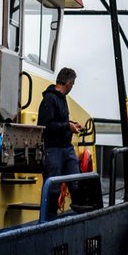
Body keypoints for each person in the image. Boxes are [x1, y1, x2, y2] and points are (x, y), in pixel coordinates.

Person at [38, 67, 82, 200]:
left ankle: (78, 212)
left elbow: (59, 122)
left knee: (76, 181)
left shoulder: (62, 99)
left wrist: (72, 124)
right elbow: (45, 126)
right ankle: (48, 217)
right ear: (68, 83)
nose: (72, 87)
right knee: (53, 188)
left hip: (66, 148)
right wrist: (67, 126)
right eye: (72, 85)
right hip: (53, 150)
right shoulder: (50, 99)